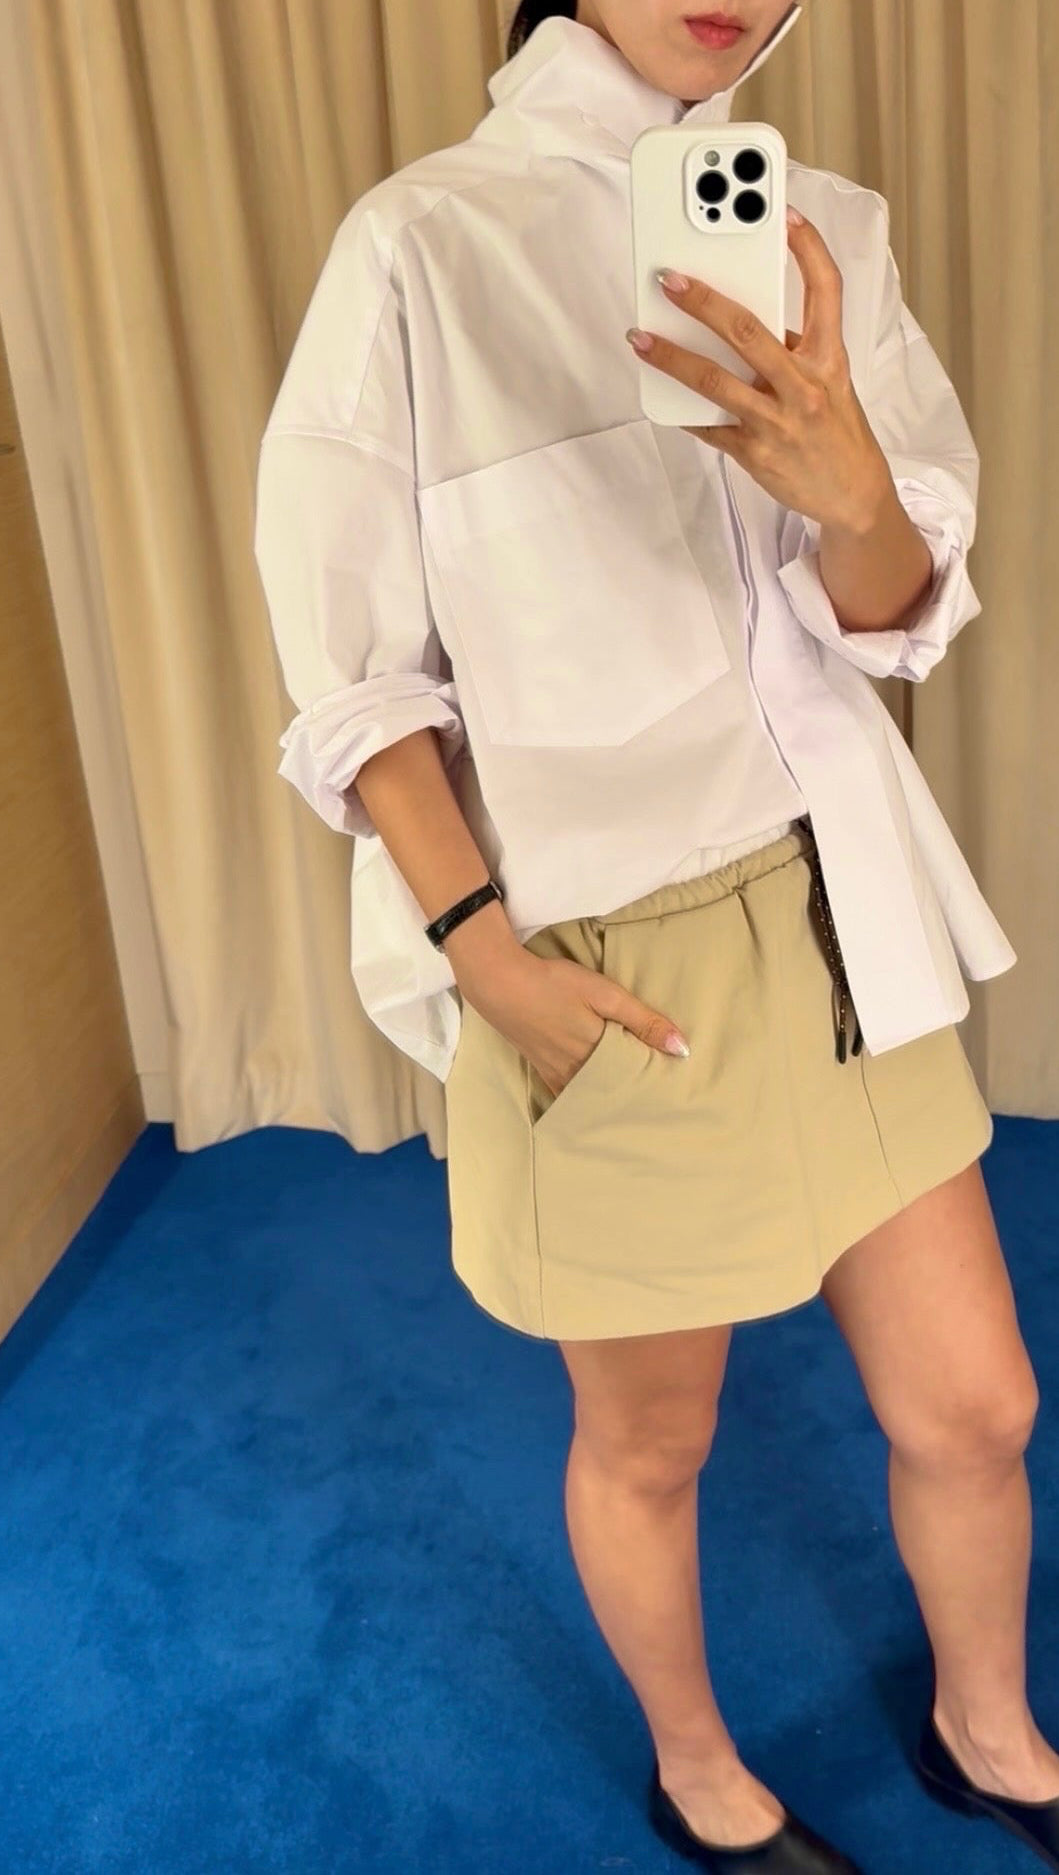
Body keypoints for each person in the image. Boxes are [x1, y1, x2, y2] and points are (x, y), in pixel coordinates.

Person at [252, 3, 1058, 1869]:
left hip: (841, 906)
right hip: (604, 954)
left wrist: (857, 500)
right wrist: (483, 951)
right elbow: (355, 676)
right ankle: (699, 1775)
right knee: (652, 1442)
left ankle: (989, 1731)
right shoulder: (421, 246)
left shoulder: (829, 229)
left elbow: (897, 616)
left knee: (979, 1404)